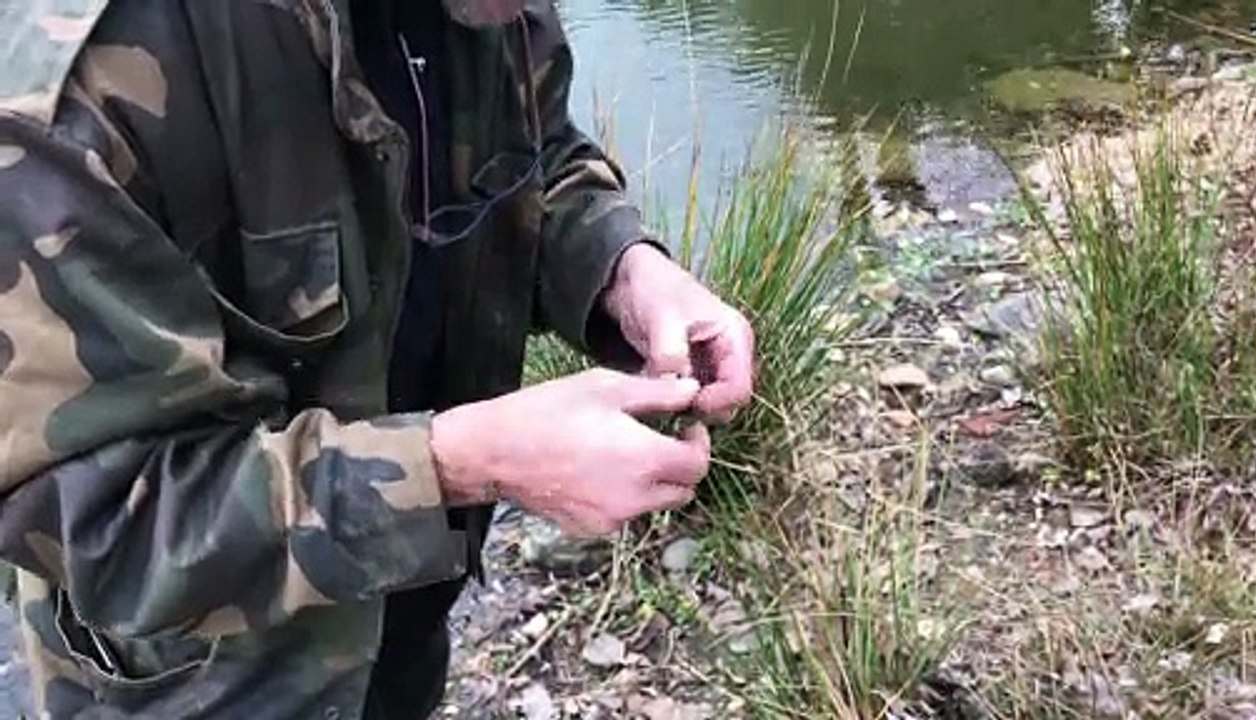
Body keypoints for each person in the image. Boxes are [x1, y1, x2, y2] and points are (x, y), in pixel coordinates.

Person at [0, 0, 755, 717]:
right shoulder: (78, 86)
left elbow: (537, 155)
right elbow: (97, 520)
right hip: (200, 691)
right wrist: (459, 465)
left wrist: (624, 271)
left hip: (405, 634)